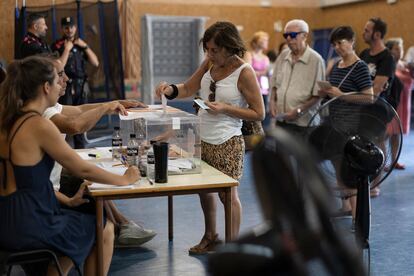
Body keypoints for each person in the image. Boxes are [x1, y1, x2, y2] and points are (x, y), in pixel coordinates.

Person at [0, 56, 139, 275]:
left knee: (81, 221)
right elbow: (81, 168)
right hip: (30, 222)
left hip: (7, 219)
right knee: (103, 227)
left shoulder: (8, 121)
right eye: (58, 79)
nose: (62, 83)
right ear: (46, 87)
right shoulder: (38, 125)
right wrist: (124, 179)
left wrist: (68, 200)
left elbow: (26, 183)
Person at [155, 21, 264, 254]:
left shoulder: (244, 72)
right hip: (203, 137)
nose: (210, 54)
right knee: (204, 189)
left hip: (228, 141)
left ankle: (233, 249)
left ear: (229, 47)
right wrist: (169, 90)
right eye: (207, 50)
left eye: (214, 50)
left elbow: (259, 112)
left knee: (228, 195)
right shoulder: (209, 64)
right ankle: (211, 236)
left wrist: (225, 108)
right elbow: (187, 87)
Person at [46, 59, 156, 247]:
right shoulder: (44, 113)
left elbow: (80, 109)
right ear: (46, 85)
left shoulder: (51, 107)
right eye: (60, 75)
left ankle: (123, 225)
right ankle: (116, 227)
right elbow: (76, 125)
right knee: (89, 179)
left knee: (89, 178)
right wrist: (124, 180)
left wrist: (114, 103)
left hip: (50, 186)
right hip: (49, 193)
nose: (67, 79)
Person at [318, 26, 373, 220]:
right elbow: (335, 92)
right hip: (335, 125)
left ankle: (359, 220)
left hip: (351, 127)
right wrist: (327, 93)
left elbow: (369, 97)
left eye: (340, 43)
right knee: (338, 169)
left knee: (350, 176)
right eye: (334, 44)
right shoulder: (336, 64)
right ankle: (346, 207)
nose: (337, 47)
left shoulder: (360, 67)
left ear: (352, 42)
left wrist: (342, 95)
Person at [269, 19, 325, 138]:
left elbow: (318, 94)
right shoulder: (283, 55)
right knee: (280, 155)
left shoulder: (316, 60)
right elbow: (274, 82)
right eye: (286, 35)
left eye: (293, 35)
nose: (288, 39)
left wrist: (299, 110)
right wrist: (272, 101)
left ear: (305, 36)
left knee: (301, 156)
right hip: (281, 120)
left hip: (303, 124)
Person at [360, 17, 395, 197]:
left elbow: (376, 90)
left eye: (367, 30)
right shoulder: (364, 54)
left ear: (377, 34)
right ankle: (362, 181)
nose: (363, 32)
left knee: (378, 146)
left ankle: (375, 184)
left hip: (378, 109)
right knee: (362, 146)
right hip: (361, 108)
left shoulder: (387, 58)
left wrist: (360, 96)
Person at [51, 16, 99, 149]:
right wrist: (67, 49)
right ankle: (64, 149)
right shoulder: (58, 45)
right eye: (66, 27)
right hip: (66, 86)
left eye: (72, 27)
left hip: (81, 86)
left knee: (81, 115)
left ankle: (80, 149)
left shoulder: (80, 44)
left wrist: (86, 47)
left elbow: (95, 62)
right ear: (62, 29)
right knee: (66, 117)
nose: (69, 30)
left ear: (76, 27)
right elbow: (59, 65)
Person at [386, 38, 414, 169]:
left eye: (401, 48)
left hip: (404, 102)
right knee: (386, 133)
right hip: (392, 102)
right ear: (389, 50)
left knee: (396, 134)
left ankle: (394, 160)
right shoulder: (387, 65)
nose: (400, 51)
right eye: (397, 49)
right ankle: (382, 161)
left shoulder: (405, 65)